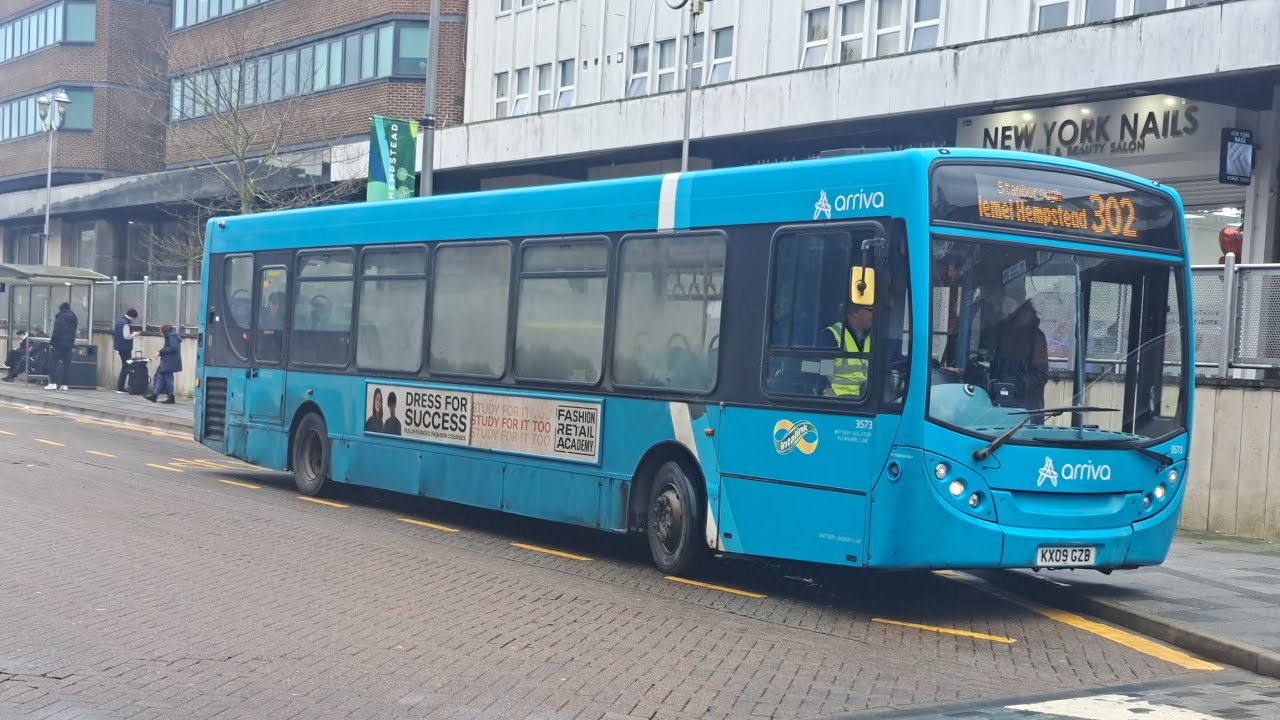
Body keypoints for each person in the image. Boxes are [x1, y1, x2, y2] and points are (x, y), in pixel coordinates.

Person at [979, 293, 1049, 411]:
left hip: (1024, 410)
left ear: (1020, 307)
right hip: (993, 404)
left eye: (1008, 305)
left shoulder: (1035, 336)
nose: (1002, 309)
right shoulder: (996, 332)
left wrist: (1011, 382)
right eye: (1000, 304)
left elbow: (1040, 376)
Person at [820, 301, 873, 397]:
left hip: (864, 400)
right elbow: (821, 372)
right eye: (871, 310)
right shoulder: (832, 335)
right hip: (840, 401)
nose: (874, 314)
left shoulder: (871, 338)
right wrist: (825, 390)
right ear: (855, 313)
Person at [146, 324, 181, 404]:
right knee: (160, 377)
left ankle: (171, 397)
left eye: (161, 332)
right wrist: (160, 352)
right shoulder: (171, 336)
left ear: (165, 331)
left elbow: (173, 348)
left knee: (168, 379)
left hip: (169, 361)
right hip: (167, 360)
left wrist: (160, 352)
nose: (160, 333)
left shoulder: (172, 336)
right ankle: (154, 396)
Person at [46, 302, 77, 391]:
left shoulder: (60, 317)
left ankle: (53, 383)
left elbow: (56, 331)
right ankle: (65, 385)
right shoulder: (74, 317)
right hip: (69, 344)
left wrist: (52, 343)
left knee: (53, 363)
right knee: (66, 364)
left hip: (58, 344)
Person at [114, 308, 140, 394]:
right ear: (132, 317)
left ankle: (120, 386)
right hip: (125, 347)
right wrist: (134, 334)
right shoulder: (125, 324)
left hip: (120, 346)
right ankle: (120, 387)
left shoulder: (120, 321)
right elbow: (127, 336)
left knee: (125, 366)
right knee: (126, 366)